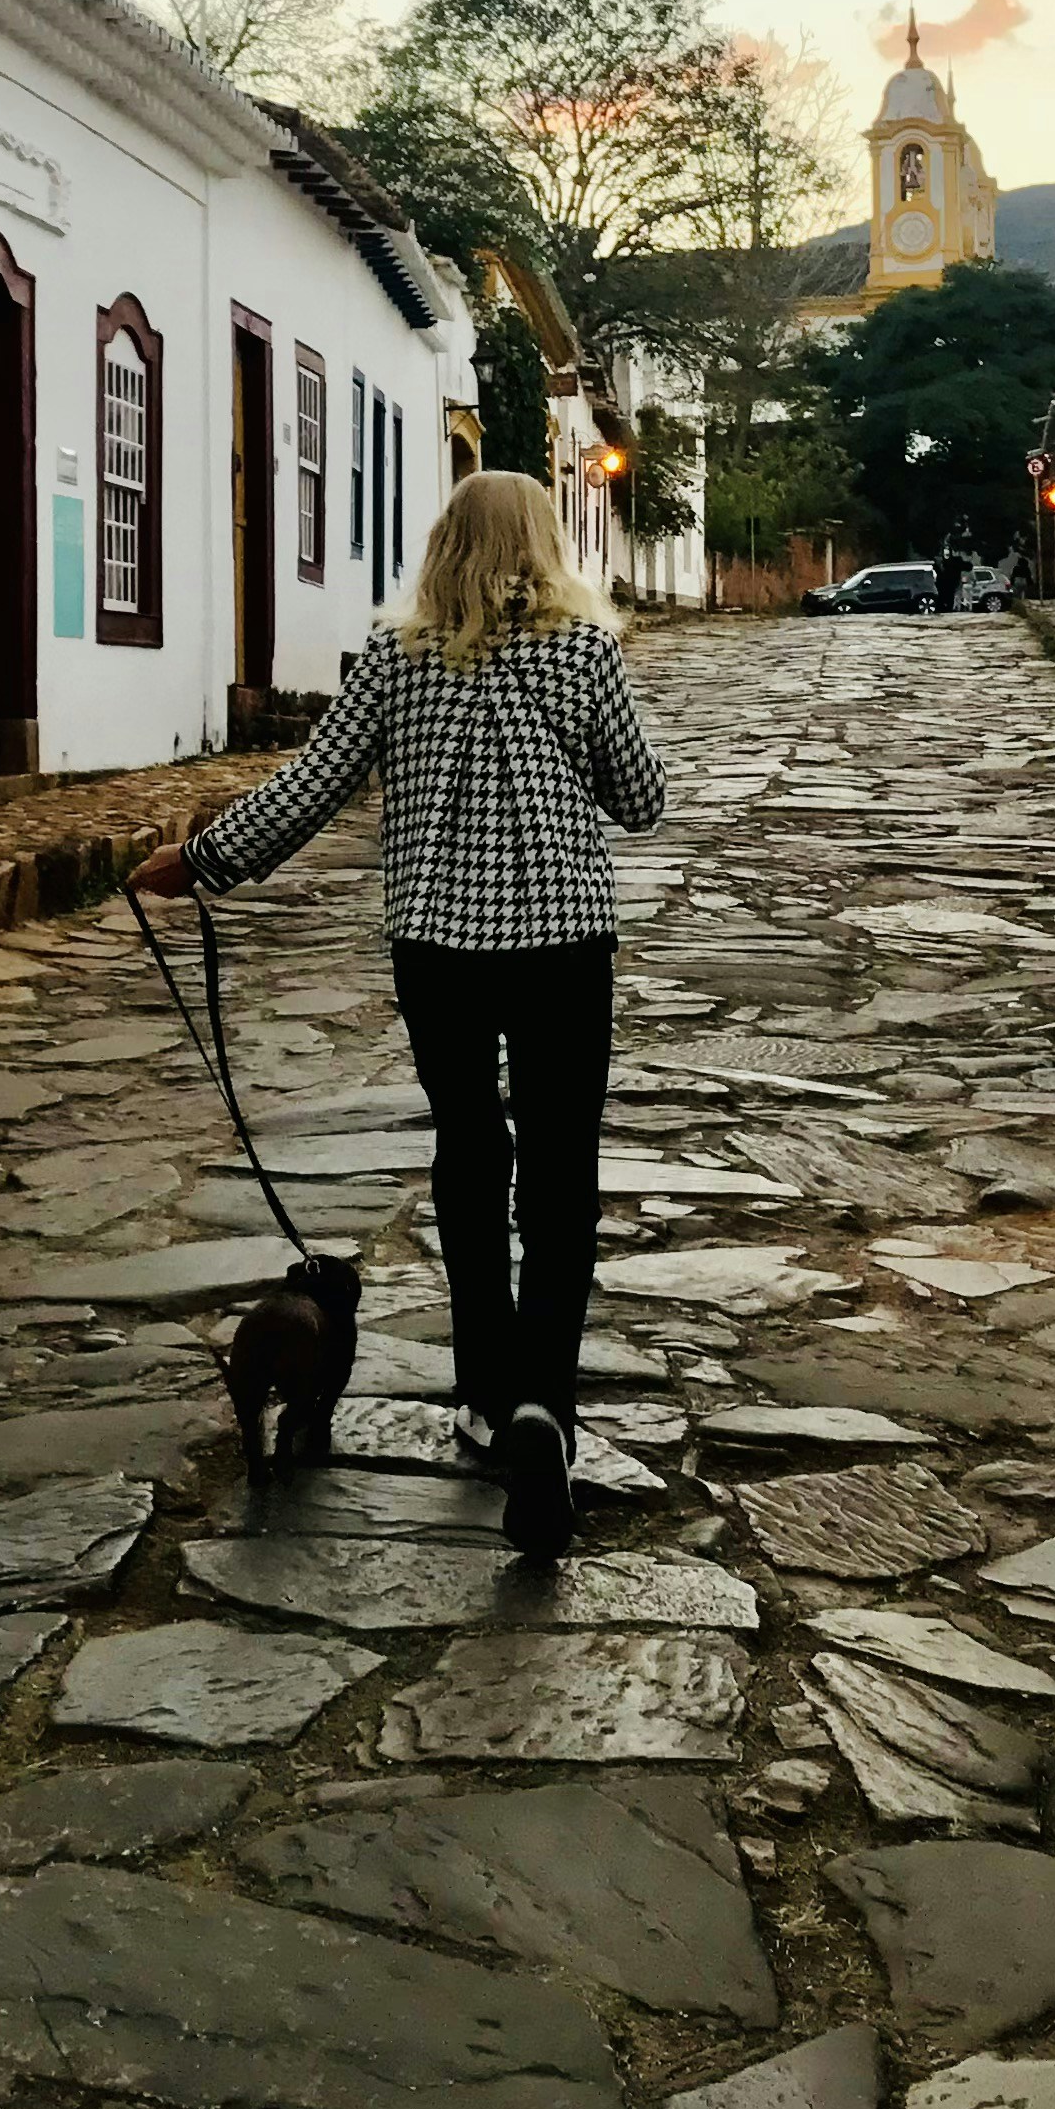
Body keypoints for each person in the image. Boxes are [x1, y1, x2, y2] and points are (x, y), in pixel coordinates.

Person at [132, 470, 665, 1558]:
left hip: (441, 953)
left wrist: (200, 861)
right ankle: (543, 1411)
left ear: (441, 545)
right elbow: (643, 800)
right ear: (543, 543)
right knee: (562, 1179)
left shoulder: (396, 659)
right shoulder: (584, 652)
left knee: (473, 1155)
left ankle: (481, 1393)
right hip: (564, 949)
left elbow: (310, 787)